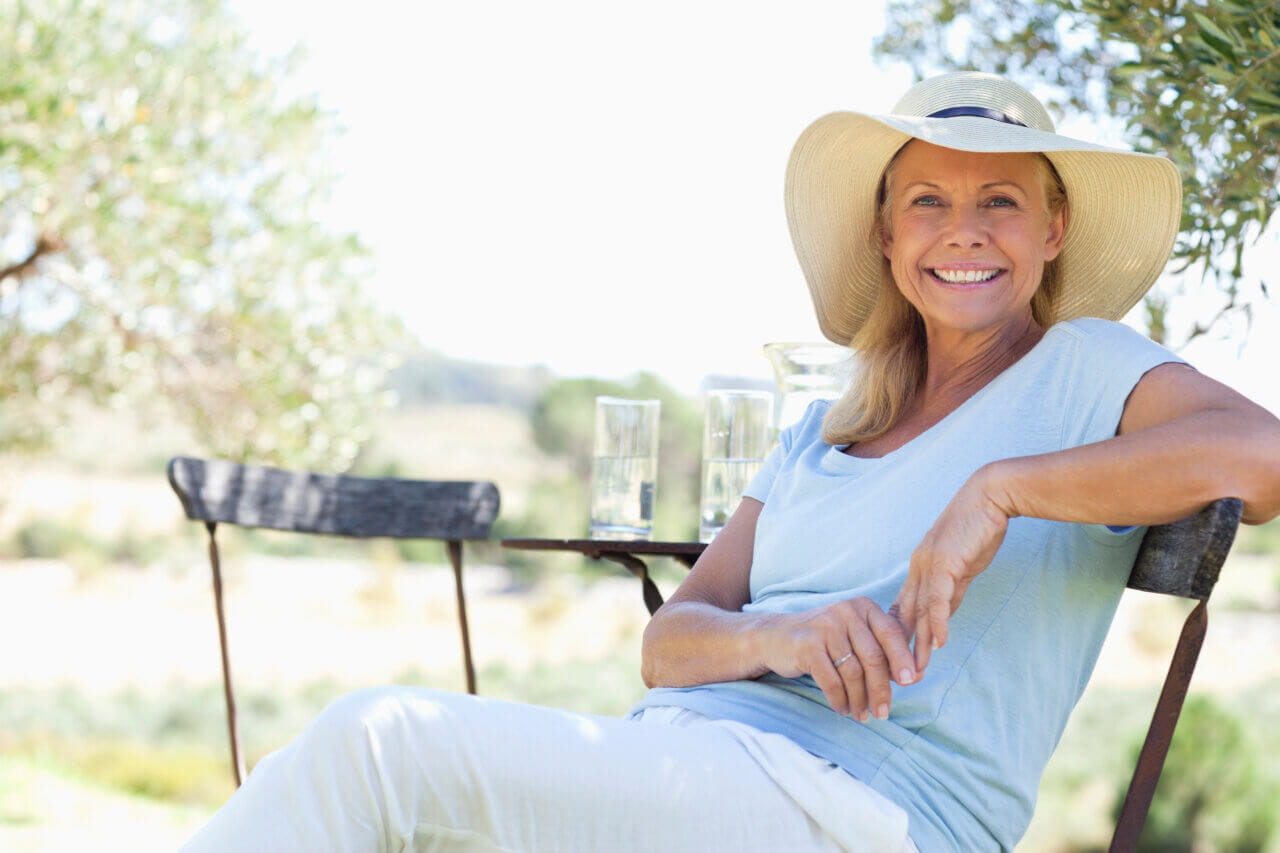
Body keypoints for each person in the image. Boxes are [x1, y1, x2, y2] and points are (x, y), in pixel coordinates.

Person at [181, 72, 1280, 852]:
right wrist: (778, 633)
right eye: (928, 202)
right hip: (693, 767)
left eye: (999, 200)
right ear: (888, 240)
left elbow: (1261, 455)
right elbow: (667, 644)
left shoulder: (1080, 366)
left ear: (1049, 231)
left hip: (858, 808)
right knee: (356, 794)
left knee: (378, 749)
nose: (964, 230)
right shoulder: (828, 425)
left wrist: (996, 491)